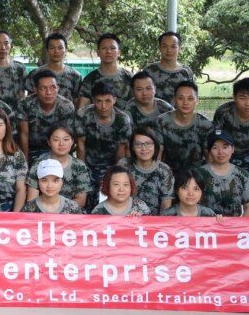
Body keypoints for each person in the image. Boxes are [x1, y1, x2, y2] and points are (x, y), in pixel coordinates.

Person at [213, 77, 249, 213]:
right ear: (234, 97)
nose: (248, 104)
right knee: (223, 199)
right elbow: (215, 143)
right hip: (226, 157)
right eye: (243, 98)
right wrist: (215, 170)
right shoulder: (223, 112)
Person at [74, 81, 133, 212]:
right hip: (88, 162)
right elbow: (81, 144)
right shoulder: (83, 115)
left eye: (108, 101)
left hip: (111, 163)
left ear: (114, 100)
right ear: (93, 100)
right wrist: (82, 171)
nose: (103, 106)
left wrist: (115, 173)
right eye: (99, 101)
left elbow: (121, 148)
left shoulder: (122, 119)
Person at [155, 80, 213, 178]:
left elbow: (209, 156)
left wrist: (207, 179)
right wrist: (160, 177)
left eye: (190, 98)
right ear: (174, 100)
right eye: (181, 98)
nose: (185, 103)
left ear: (197, 101)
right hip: (168, 174)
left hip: (196, 175)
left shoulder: (206, 125)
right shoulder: (161, 121)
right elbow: (158, 153)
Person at [17, 69, 75, 165]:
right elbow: (24, 134)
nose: (49, 92)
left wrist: (62, 162)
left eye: (53, 87)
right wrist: (25, 163)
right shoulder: (25, 104)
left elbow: (66, 136)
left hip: (56, 149)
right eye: (43, 88)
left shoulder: (66, 106)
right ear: (35, 90)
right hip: (32, 150)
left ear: (58, 88)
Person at [26, 126, 89, 212]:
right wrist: (48, 212)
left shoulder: (79, 166)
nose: (61, 144)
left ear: (72, 141)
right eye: (56, 140)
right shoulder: (39, 164)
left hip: (70, 213)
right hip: (42, 212)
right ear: (49, 142)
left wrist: (58, 213)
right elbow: (32, 198)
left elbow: (81, 200)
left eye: (66, 139)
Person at [119, 127, 174, 215]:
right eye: (138, 144)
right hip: (127, 217)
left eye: (148, 144)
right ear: (132, 147)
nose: (144, 148)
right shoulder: (123, 165)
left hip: (154, 220)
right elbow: (115, 195)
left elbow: (166, 205)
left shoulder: (164, 170)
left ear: (155, 145)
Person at [199, 130, 249, 217]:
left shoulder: (243, 175)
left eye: (225, 147)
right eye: (215, 148)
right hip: (205, 224)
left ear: (233, 149)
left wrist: (240, 225)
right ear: (209, 151)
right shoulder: (199, 174)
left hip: (234, 224)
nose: (220, 152)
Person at [77, 33, 133, 108]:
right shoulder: (90, 79)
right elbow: (82, 108)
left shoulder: (129, 77)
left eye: (112, 48)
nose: (108, 51)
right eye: (104, 48)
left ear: (119, 53)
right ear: (98, 53)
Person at [25, 32, 82, 103]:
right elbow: (29, 101)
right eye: (52, 48)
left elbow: (76, 102)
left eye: (60, 48)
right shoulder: (35, 74)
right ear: (47, 50)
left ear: (66, 50)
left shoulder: (75, 76)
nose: (56, 51)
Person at [143, 31, 195, 104]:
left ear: (180, 49)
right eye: (165, 46)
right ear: (160, 48)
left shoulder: (186, 72)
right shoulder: (149, 71)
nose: (169, 50)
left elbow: (191, 97)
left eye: (173, 46)